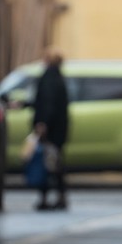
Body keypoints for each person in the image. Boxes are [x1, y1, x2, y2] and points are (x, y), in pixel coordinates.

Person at [31, 49, 70, 211]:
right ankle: (61, 196)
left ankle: (45, 197)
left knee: (46, 163)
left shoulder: (48, 78)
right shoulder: (59, 77)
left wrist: (42, 123)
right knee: (55, 163)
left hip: (49, 128)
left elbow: (47, 103)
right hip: (60, 128)